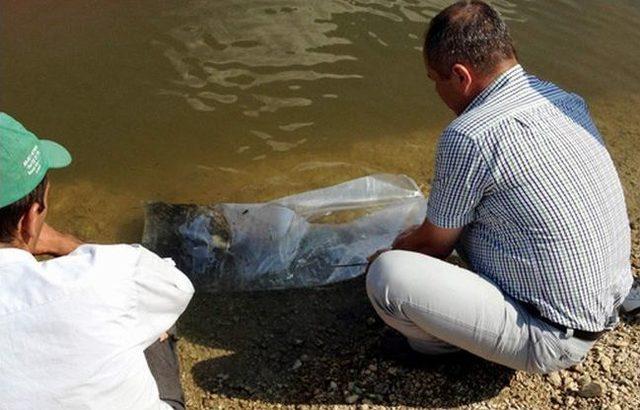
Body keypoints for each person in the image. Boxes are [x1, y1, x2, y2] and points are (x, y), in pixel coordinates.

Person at [366, 0, 632, 374]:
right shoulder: (563, 99)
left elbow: (432, 246)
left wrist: (391, 251)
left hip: (554, 336)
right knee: (464, 209)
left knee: (389, 278)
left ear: (460, 76)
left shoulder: (469, 136)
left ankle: (441, 349)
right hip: (606, 301)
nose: (437, 92)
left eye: (435, 80)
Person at [0, 112, 194, 409]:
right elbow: (178, 287)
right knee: (150, 313)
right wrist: (64, 243)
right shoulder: (111, 275)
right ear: (30, 218)